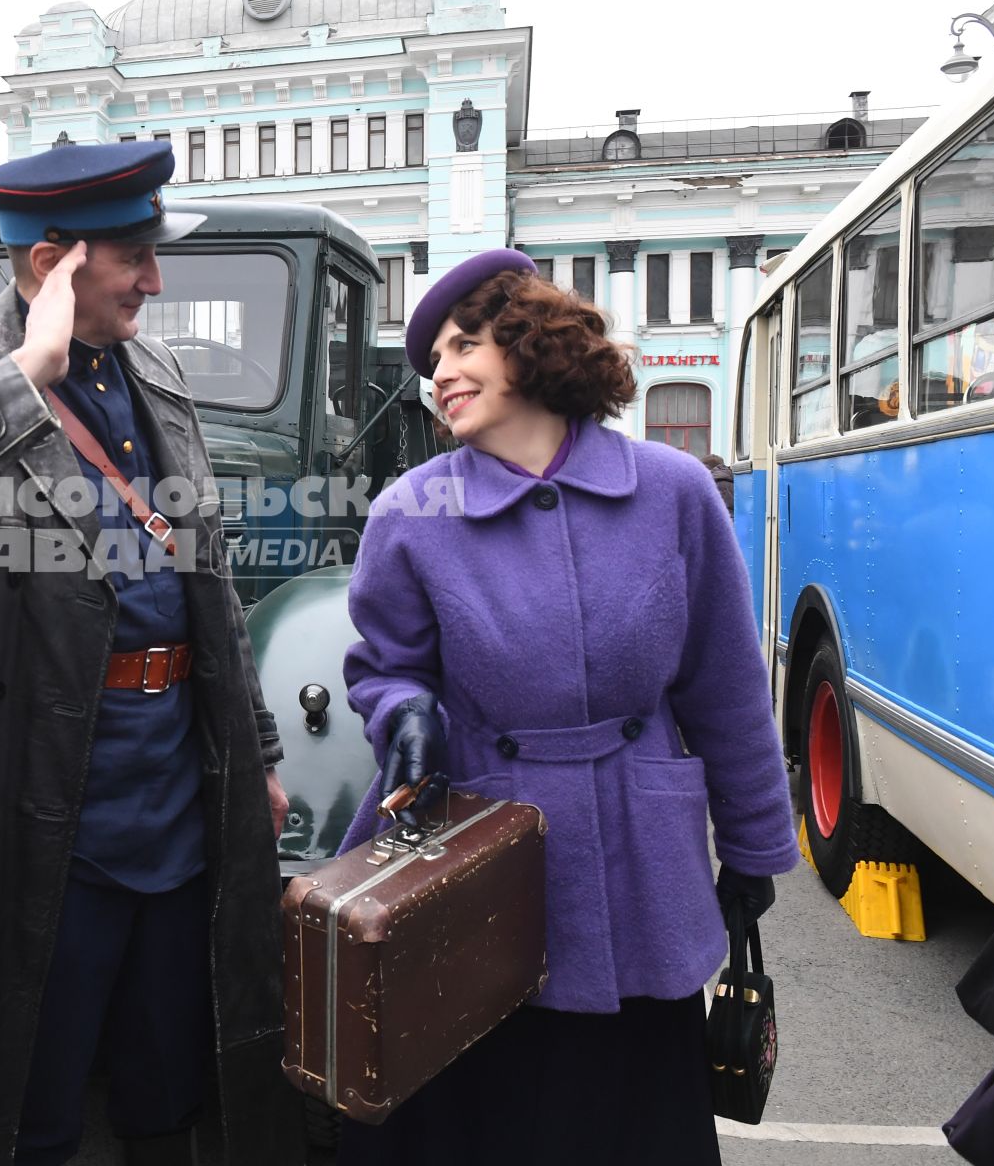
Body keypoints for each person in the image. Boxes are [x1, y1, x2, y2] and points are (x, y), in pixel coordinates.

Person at [0, 141, 300, 1166]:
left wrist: (254, 750)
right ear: (54, 264)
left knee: (172, 1094)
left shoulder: (155, 373)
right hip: (34, 815)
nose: (155, 280)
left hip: (173, 799)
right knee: (27, 1106)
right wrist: (20, 378)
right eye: (135, 257)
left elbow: (207, 582)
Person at [335, 249, 799, 1165]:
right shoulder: (410, 512)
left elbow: (725, 684)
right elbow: (383, 668)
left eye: (464, 346)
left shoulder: (671, 493)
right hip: (479, 860)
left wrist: (753, 848)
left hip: (638, 860)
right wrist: (404, 713)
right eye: (431, 362)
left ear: (531, 344)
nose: (442, 375)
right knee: (483, 1115)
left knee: (624, 1119)